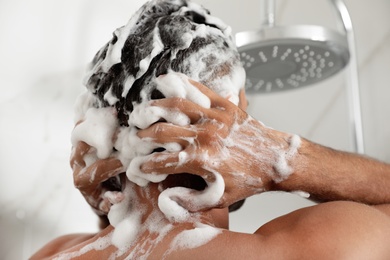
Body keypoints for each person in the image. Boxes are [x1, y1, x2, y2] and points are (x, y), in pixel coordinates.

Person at [31, 0, 390, 259]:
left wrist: (109, 207)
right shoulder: (305, 249)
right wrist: (281, 159)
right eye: (245, 119)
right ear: (231, 123)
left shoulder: (54, 254)